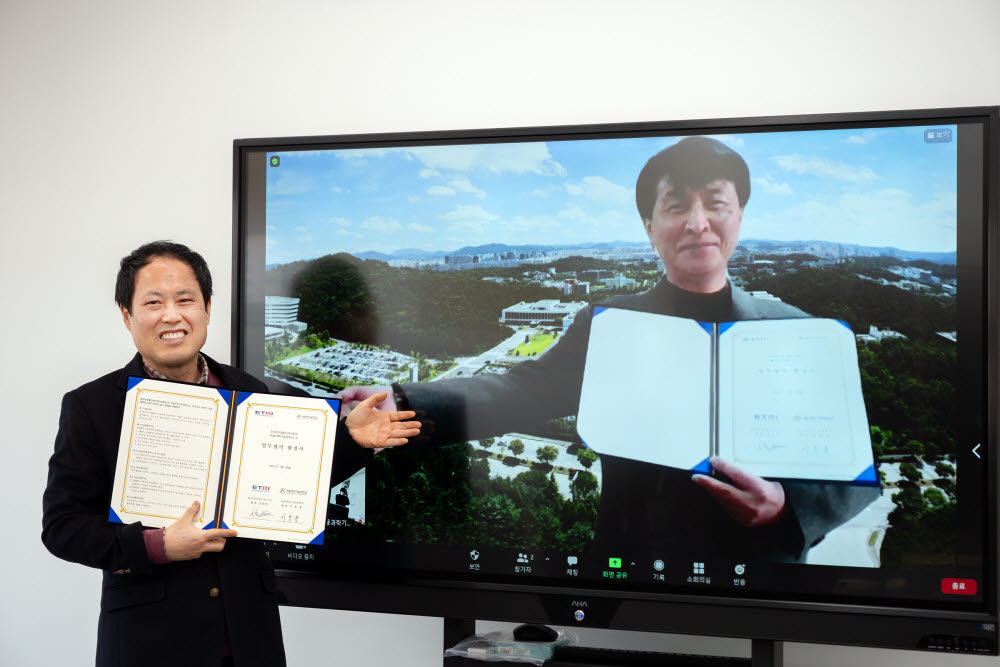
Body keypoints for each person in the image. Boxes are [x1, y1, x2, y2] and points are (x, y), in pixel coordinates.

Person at [339, 137, 878, 562]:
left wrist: (787, 510)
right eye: (675, 207)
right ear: (649, 225)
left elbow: (850, 459)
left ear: (739, 215)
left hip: (762, 580)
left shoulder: (798, 331)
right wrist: (401, 405)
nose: (697, 223)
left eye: (716, 204)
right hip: (632, 575)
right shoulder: (611, 325)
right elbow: (520, 390)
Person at [41, 241, 418, 667]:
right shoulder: (92, 406)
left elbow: (286, 481)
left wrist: (352, 440)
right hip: (150, 642)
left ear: (206, 309)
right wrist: (157, 545)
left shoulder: (247, 389)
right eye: (153, 302)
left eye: (186, 300)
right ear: (127, 315)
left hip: (248, 636)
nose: (172, 315)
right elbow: (63, 528)